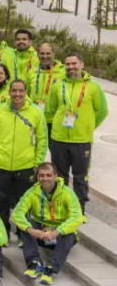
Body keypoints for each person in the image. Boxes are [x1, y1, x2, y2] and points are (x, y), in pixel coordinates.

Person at [44, 53, 108, 213]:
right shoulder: (58, 85)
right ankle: (60, 208)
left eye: (74, 64)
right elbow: (50, 110)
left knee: (80, 177)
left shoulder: (94, 87)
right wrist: (57, 128)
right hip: (59, 139)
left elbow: (102, 111)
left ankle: (79, 209)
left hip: (81, 140)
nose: (71, 67)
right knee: (60, 176)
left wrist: (88, 127)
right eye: (67, 64)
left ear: (82, 65)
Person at [0, 80, 48, 237]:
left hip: (25, 166)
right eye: (14, 91)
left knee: (23, 203)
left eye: (20, 91)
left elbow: (42, 139)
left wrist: (38, 163)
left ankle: (22, 234)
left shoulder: (36, 112)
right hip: (1, 164)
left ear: (26, 92)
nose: (17, 94)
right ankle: (2, 232)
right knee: (1, 201)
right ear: (9, 92)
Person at [13, 163, 84, 285]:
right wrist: (31, 230)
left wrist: (57, 232)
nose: (45, 178)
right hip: (41, 234)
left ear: (55, 176)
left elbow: (78, 217)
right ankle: (34, 263)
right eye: (41, 175)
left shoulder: (67, 192)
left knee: (70, 232)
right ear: (37, 177)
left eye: (48, 175)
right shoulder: (32, 192)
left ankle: (50, 269)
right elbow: (17, 212)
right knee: (26, 224)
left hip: (59, 236)